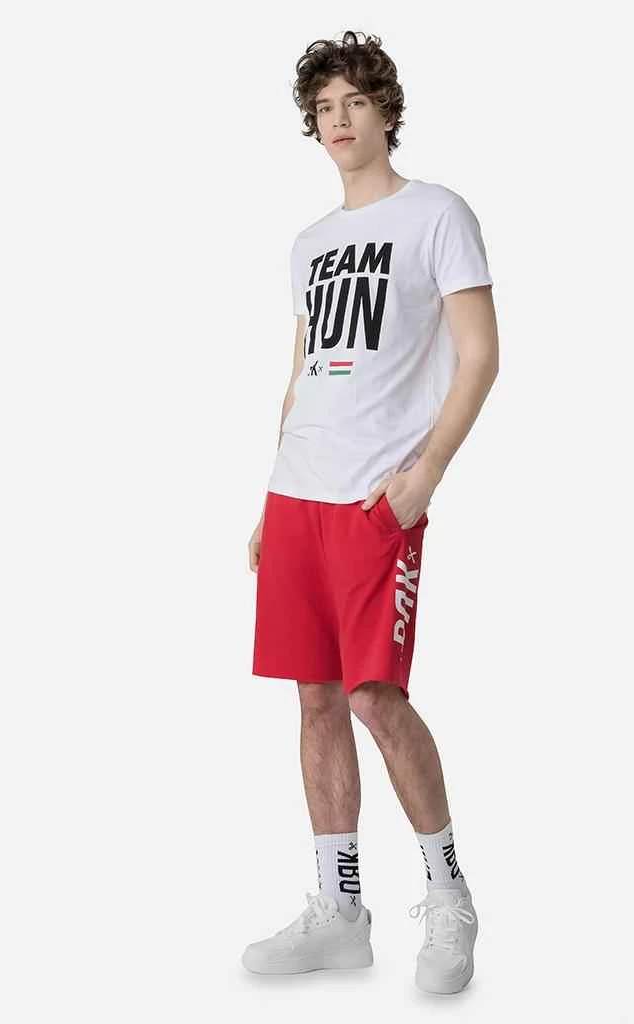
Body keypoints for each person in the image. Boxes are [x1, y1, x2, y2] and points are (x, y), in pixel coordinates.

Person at [242, 30, 499, 995]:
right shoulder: (309, 243)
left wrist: (426, 475)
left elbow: (481, 355)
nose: (338, 121)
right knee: (314, 698)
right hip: (297, 494)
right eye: (323, 109)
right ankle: (340, 910)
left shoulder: (438, 214)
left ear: (386, 110)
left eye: (353, 101)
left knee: (372, 697)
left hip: (373, 499)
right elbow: (302, 375)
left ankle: (449, 895)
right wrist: (268, 498)